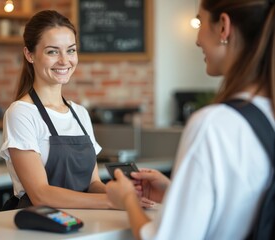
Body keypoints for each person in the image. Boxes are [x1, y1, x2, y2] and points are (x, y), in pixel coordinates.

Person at [106, 0, 275, 239]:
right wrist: (177, 193)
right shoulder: (267, 114)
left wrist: (127, 199)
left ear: (223, 27)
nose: (197, 39)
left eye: (201, 22)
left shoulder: (213, 124)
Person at [0, 10, 118, 209]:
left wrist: (125, 195)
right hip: (42, 227)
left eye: (71, 50)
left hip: (86, 223)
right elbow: (40, 195)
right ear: (29, 54)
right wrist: (111, 201)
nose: (64, 61)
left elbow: (92, 183)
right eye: (52, 51)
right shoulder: (21, 113)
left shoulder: (79, 113)